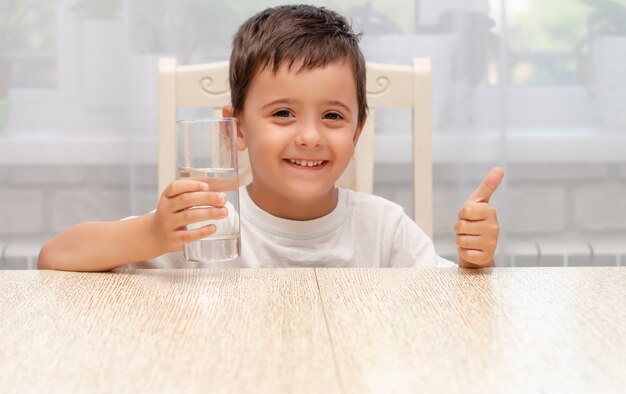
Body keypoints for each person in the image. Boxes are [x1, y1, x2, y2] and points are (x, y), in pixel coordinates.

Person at [37, 4, 504, 272]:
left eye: (333, 116)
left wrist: (475, 263)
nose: (309, 136)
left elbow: (451, 308)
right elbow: (54, 258)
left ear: (358, 130)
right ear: (237, 128)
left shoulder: (384, 229)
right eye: (282, 113)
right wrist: (154, 232)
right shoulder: (206, 226)